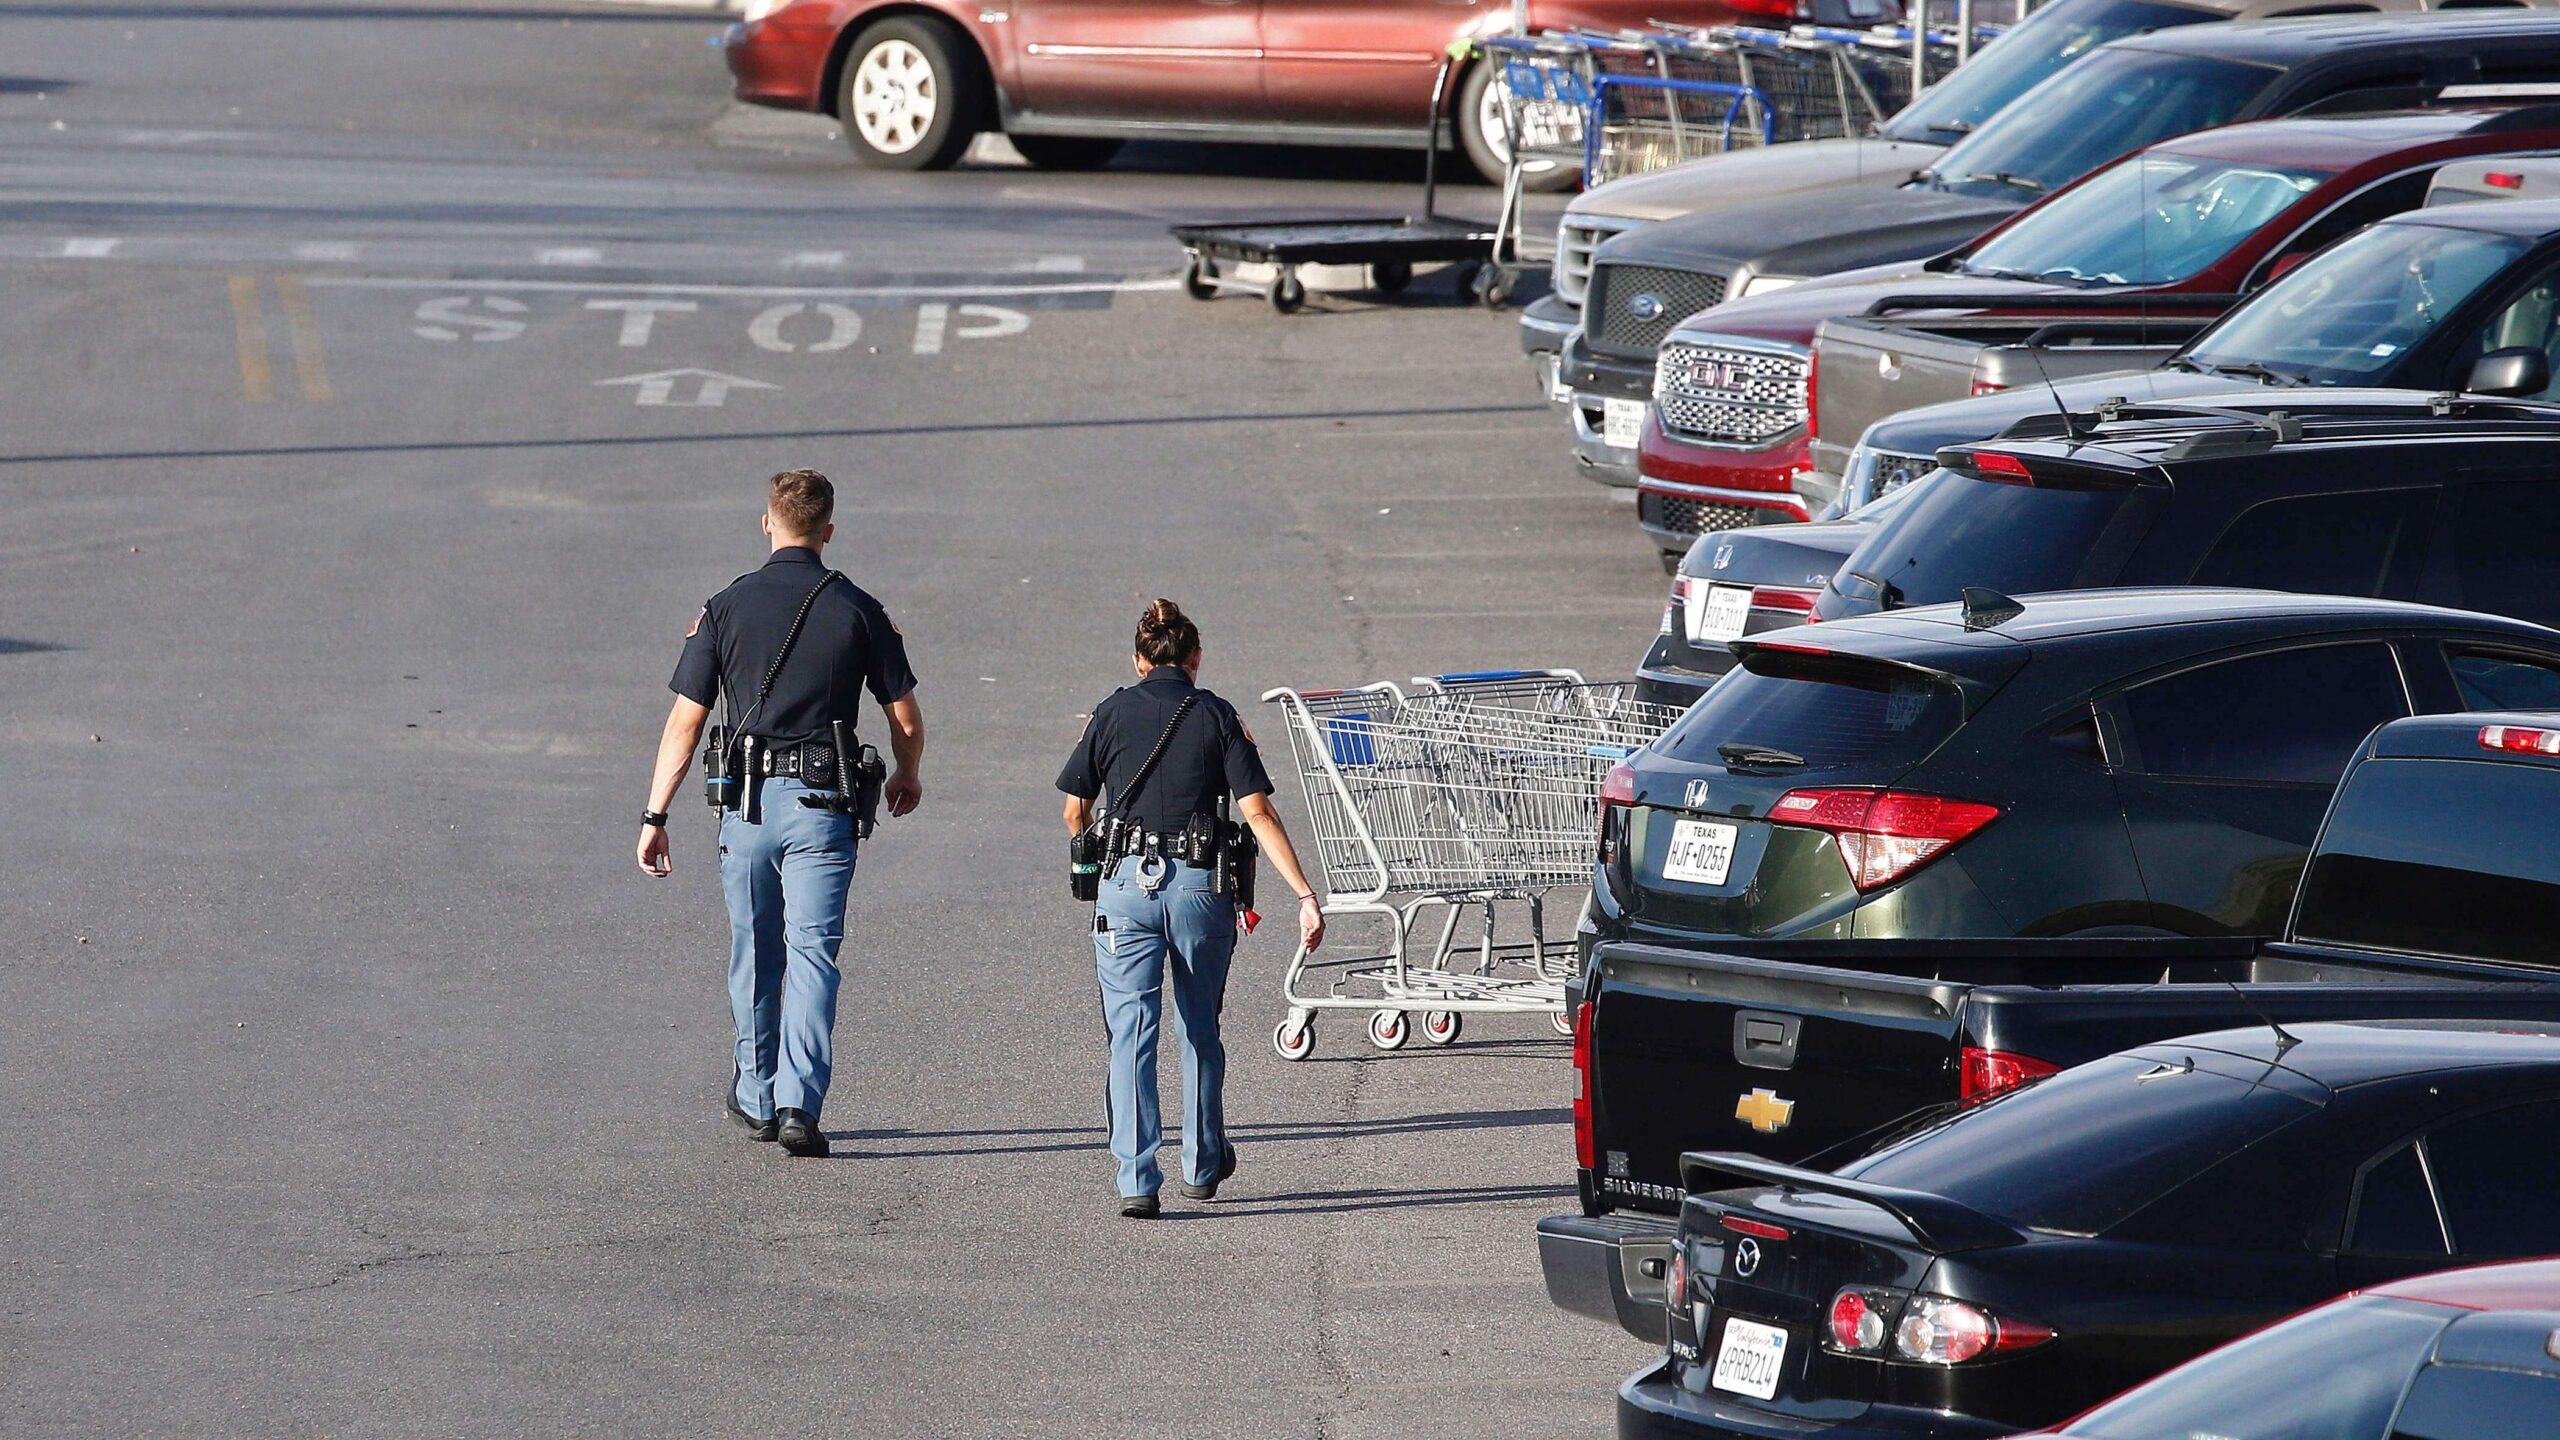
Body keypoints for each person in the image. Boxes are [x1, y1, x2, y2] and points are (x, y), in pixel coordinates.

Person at [637, 468, 924, 1159]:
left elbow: (686, 721)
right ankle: (799, 1105)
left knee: (755, 951)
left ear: (766, 523)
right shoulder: (858, 608)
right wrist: (907, 774)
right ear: (828, 531)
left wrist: (655, 815)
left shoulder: (725, 607)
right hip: (824, 809)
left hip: (747, 808)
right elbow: (904, 716)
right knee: (814, 956)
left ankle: (758, 1094)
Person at [1057, 599, 1326, 1219]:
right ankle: (1202, 1164)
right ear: (1196, 658)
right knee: (1198, 1025)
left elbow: (1075, 809)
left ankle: (1135, 1178)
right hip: (1201, 887)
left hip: (1124, 885)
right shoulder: (1217, 715)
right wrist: (1304, 896)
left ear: (1139, 658)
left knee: (1131, 1033)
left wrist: (1093, 866)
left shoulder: (1109, 712)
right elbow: (1257, 811)